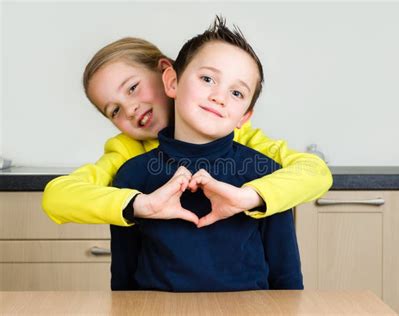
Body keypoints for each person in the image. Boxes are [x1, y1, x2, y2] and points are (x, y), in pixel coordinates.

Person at [41, 22, 332, 228]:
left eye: (132, 88)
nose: (129, 109)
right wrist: (139, 205)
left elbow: (315, 172)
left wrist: (250, 197)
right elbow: (58, 196)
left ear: (168, 75)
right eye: (114, 109)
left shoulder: (243, 139)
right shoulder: (127, 154)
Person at [112, 16, 302, 292]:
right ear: (172, 82)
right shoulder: (132, 174)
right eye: (208, 78)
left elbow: (287, 278)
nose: (219, 96)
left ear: (244, 116)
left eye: (236, 93)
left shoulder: (268, 175)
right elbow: (123, 277)